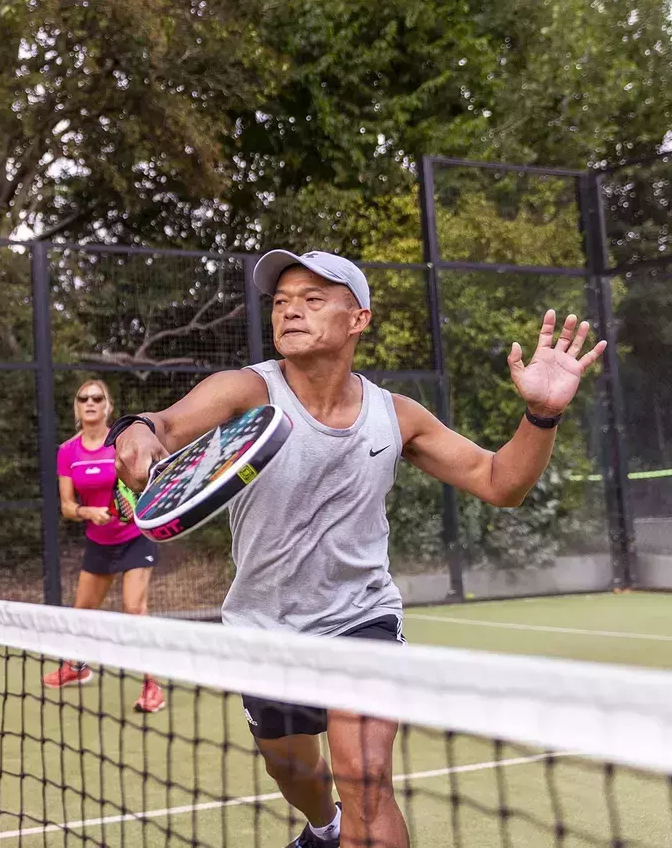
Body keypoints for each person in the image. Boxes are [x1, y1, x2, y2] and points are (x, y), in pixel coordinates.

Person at [109, 250, 605, 848]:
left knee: (368, 785)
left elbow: (501, 482)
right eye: (281, 302)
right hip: (265, 629)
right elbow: (161, 426)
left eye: (313, 300)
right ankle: (323, 827)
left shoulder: (394, 416)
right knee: (296, 776)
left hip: (360, 619)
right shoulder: (244, 390)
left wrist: (541, 416)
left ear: (358, 320)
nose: (290, 311)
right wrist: (134, 430)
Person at [44, 379, 166, 714]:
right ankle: (77, 667)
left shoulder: (120, 444)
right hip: (98, 542)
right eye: (83, 398)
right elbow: (67, 507)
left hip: (134, 538)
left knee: (135, 610)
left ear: (107, 405)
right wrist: (87, 512)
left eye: (97, 398)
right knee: (82, 612)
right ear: (77, 407)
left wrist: (134, 504)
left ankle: (152, 687)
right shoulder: (68, 452)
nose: (90, 403)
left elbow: (145, 481)